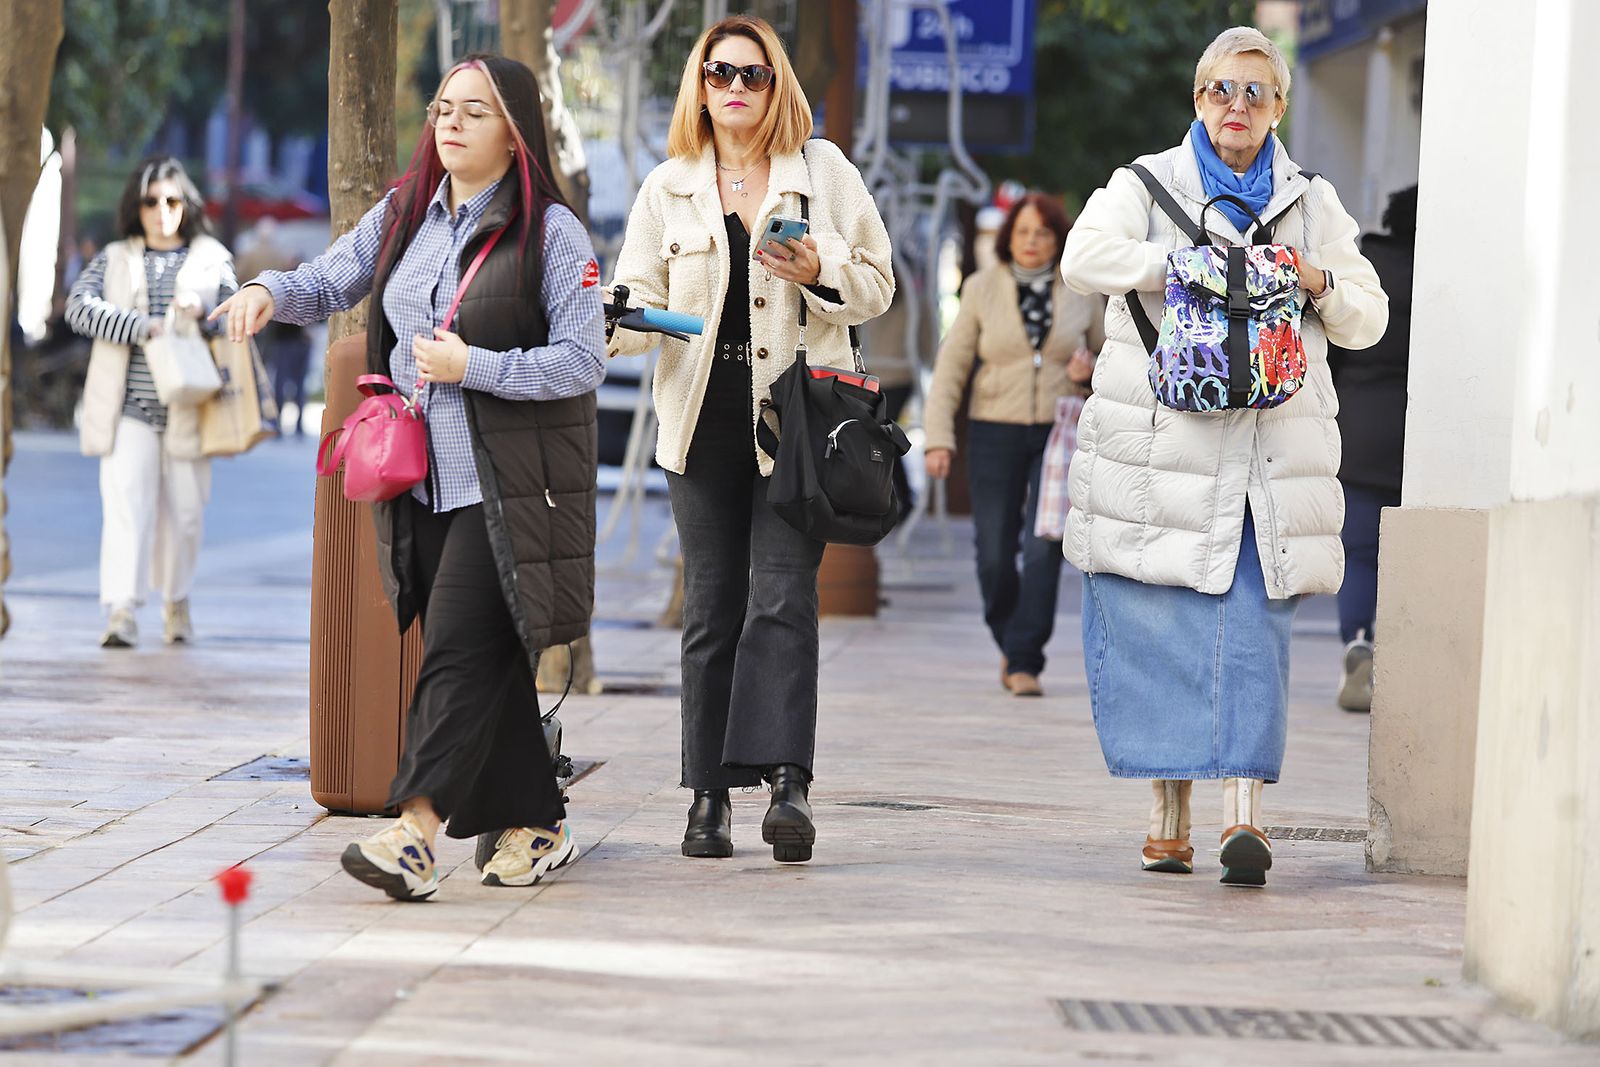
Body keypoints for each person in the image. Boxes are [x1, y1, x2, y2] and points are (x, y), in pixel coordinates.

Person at [212, 54, 606, 901]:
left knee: (458, 653)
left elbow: (583, 360)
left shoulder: (552, 232)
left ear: (515, 131)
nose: (450, 122)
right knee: (484, 662)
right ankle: (540, 821)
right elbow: (329, 279)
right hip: (417, 482)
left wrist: (477, 365)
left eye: (474, 110)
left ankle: (415, 832)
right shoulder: (404, 214)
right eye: (441, 107)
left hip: (507, 487)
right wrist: (264, 291)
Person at [1059, 26, 1387, 886]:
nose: (1235, 107)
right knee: (1158, 623)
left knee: (1250, 628)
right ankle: (1168, 817)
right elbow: (1083, 256)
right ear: (1196, 100)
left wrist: (1311, 277)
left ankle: (1247, 819)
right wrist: (1184, 265)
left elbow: (1368, 312)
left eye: (1254, 93)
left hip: (1265, 462)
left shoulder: (1312, 201)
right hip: (1162, 452)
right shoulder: (1145, 183)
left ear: (1279, 107)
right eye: (1219, 91)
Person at [606, 15, 892, 864]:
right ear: (700, 85)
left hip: (795, 422)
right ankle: (706, 797)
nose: (736, 88)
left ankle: (788, 783)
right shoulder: (668, 189)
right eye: (721, 74)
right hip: (700, 421)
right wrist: (613, 315)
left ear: (777, 88)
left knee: (782, 598)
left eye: (753, 76)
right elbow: (634, 300)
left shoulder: (824, 174)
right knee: (710, 609)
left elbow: (878, 282)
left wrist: (820, 271)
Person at [923, 193, 1103, 697]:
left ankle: (1025, 659)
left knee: (1045, 547)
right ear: (1009, 237)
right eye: (1023, 232)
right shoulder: (981, 289)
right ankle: (1009, 638)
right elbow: (951, 368)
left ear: (1058, 240)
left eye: (1042, 233)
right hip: (993, 429)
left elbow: (1114, 358)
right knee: (994, 554)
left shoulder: (1082, 291)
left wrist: (1088, 374)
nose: (1031, 242)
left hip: (1059, 430)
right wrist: (938, 439)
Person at [66, 157, 238, 649]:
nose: (161, 211)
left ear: (187, 206)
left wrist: (203, 312)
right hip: (129, 408)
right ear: (135, 207)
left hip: (192, 406)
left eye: (171, 201)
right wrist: (138, 326)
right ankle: (121, 609)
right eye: (150, 202)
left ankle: (176, 600)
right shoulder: (116, 256)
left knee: (186, 514)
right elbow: (79, 306)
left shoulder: (211, 257)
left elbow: (234, 316)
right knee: (127, 507)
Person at [1329, 185, 1416, 713]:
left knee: (1359, 552)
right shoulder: (1445, 275)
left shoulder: (1360, 272)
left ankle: (1359, 641)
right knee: (1409, 552)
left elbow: (1336, 349)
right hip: (1417, 433)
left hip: (1358, 429)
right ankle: (1403, 658)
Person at [236, 218, 314, 435]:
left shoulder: (249, 254)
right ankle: (277, 415)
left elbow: (238, 278)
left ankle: (257, 414)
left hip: (252, 314)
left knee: (256, 365)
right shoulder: (280, 256)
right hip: (277, 318)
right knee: (276, 369)